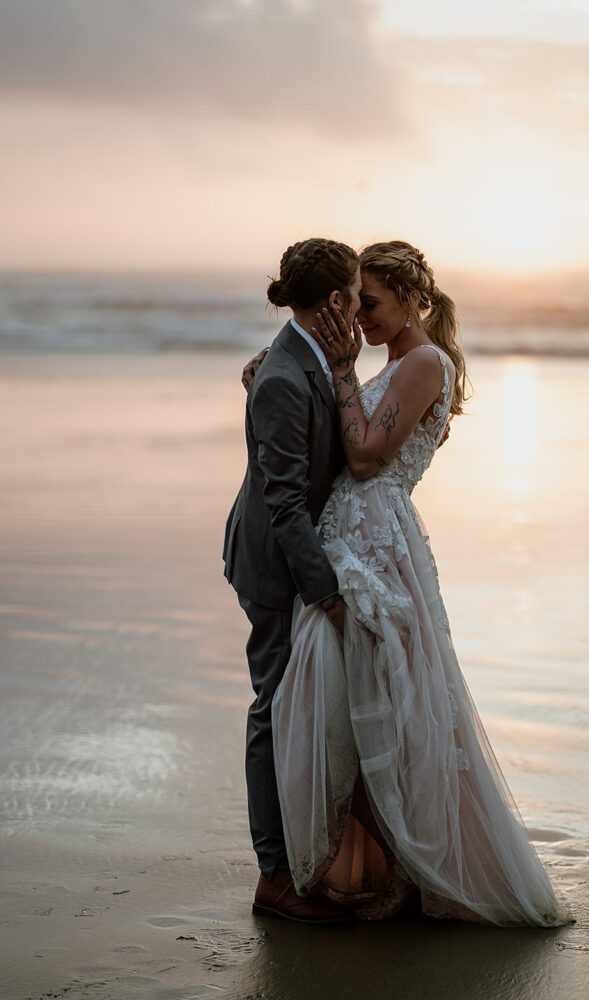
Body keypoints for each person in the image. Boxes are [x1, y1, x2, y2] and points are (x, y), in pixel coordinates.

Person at [268, 240, 572, 926]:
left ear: (411, 299)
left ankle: (411, 868)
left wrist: (343, 371)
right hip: (352, 534)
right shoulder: (395, 363)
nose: (357, 316)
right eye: (351, 302)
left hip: (375, 543)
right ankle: (386, 863)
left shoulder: (425, 362)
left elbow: (368, 456)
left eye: (368, 303)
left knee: (389, 704)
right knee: (353, 702)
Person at [223, 237, 362, 924]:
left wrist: (346, 372)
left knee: (289, 707)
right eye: (358, 291)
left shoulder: (309, 360)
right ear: (335, 300)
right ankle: (273, 877)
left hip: (293, 555)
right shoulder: (281, 375)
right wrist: (326, 591)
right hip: (276, 567)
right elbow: (282, 502)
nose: (363, 303)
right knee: (271, 711)